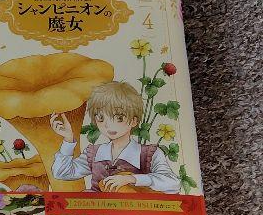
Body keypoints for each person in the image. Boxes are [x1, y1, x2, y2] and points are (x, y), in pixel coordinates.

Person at [50, 81, 180, 193]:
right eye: (101, 118)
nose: (108, 125)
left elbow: (173, 183)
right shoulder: (94, 153)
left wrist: (132, 179)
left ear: (134, 121)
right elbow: (62, 173)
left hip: (133, 210)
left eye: (119, 118)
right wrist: (68, 140)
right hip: (96, 210)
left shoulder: (148, 154)